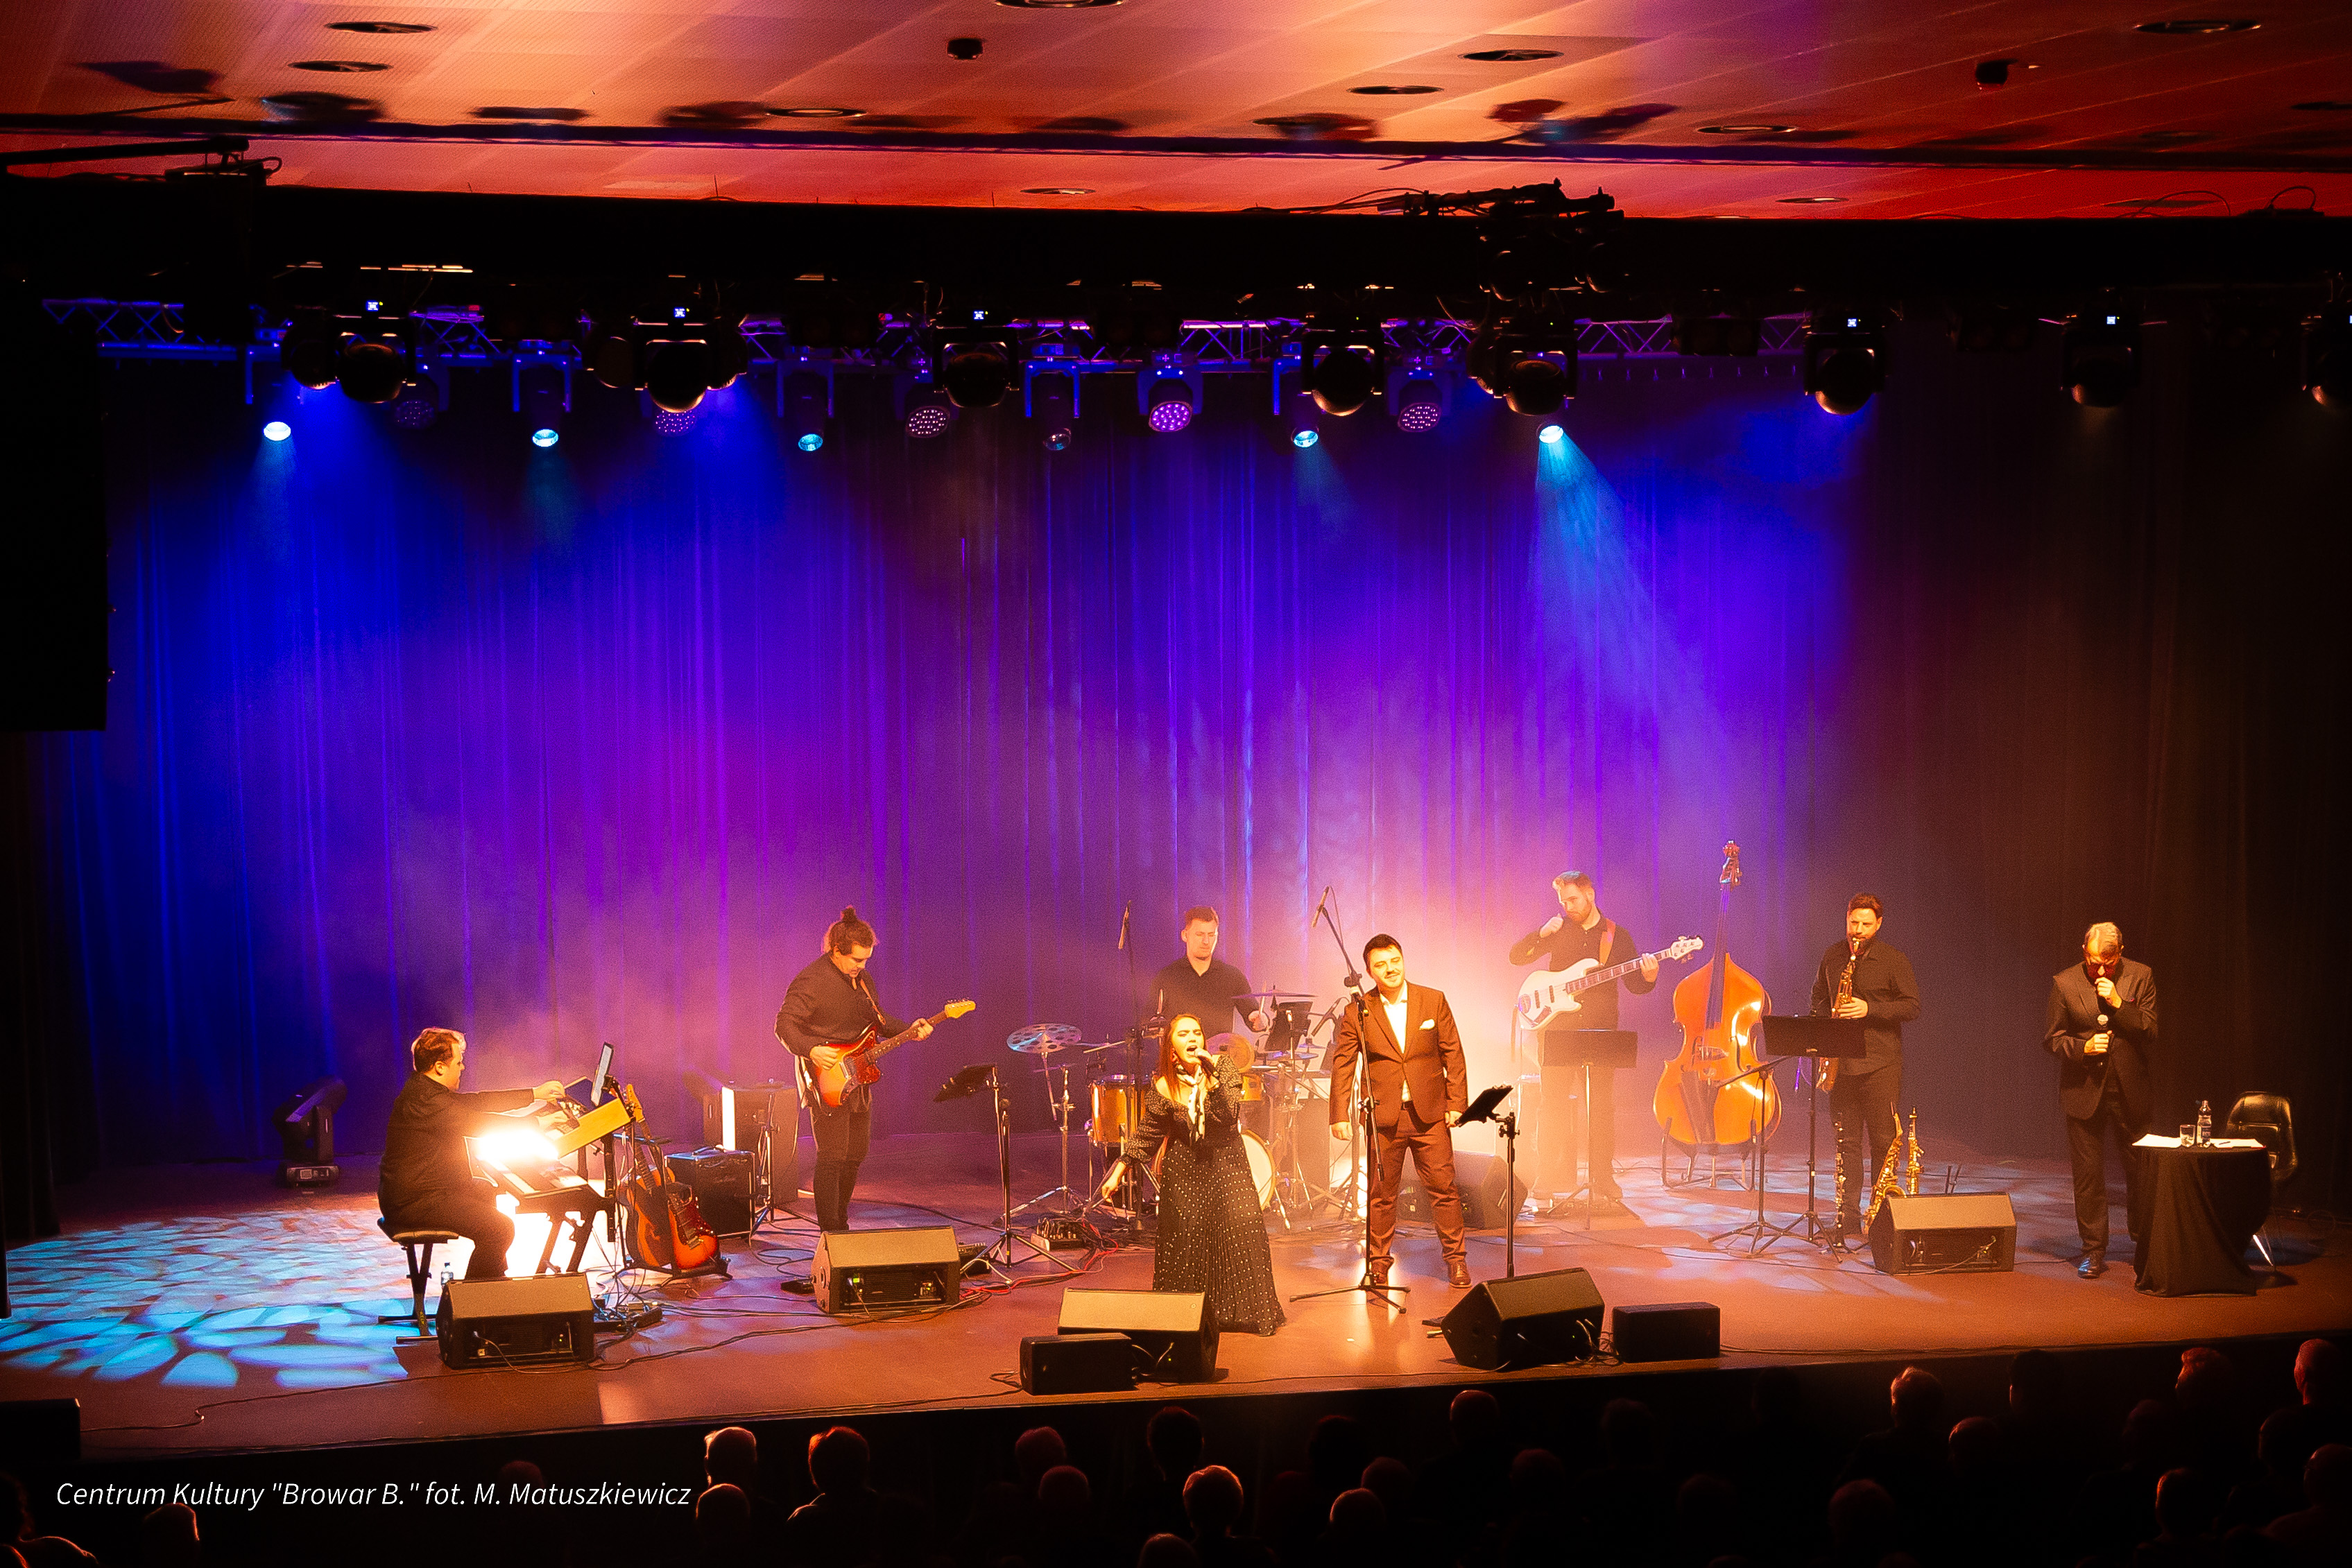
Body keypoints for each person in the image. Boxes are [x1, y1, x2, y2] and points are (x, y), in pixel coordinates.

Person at [1097, 1015, 1286, 1334]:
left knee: (1243, 1229)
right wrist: (1119, 1170)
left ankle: (1246, 1313)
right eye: (1184, 1034)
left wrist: (1211, 1076)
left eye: (1197, 1032)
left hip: (1227, 1162)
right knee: (1187, 1239)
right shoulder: (1163, 1086)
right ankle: (1187, 1315)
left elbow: (1228, 1114)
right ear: (1171, 1048)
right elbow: (1148, 1134)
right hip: (1184, 1169)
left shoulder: (1223, 1067)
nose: (1193, 1038)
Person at [1506, 870, 1659, 1208]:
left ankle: (1602, 1176)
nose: (1568, 907)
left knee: (1601, 1107)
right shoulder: (1558, 930)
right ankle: (1547, 1175)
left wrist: (1649, 977)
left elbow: (1635, 985)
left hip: (1601, 1033)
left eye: (1573, 899)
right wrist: (1540, 933)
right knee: (1553, 1105)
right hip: (1558, 1032)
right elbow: (1517, 957)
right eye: (1563, 902)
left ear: (1590, 894)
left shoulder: (1617, 936)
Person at [1325, 934, 1471, 1289]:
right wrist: (1339, 1114)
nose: (1390, 969)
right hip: (1383, 1116)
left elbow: (1453, 1053)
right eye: (1381, 965)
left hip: (1430, 1114)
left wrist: (1457, 1104)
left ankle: (1456, 1261)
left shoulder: (1432, 1000)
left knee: (1444, 1189)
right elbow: (1343, 1064)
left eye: (1395, 961)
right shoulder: (1358, 1011)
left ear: (1403, 960)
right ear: (1369, 972)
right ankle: (1378, 1264)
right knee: (1381, 1194)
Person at [774, 906, 932, 1233]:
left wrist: (910, 1029)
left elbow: (878, 1021)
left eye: (866, 960)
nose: (862, 966)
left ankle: (841, 1224)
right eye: (856, 960)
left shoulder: (862, 980)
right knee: (832, 1156)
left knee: (855, 1154)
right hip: (826, 1076)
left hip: (859, 1075)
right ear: (836, 951)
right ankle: (830, 1232)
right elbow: (784, 1026)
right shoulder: (811, 981)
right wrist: (811, 1049)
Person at [378, 1028, 564, 1281]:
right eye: (458, 1062)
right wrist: (537, 1124)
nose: (463, 1067)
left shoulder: (425, 1089)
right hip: (412, 1203)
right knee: (501, 1229)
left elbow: (479, 1102)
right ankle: (473, 1296)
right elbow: (478, 1123)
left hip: (421, 1192)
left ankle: (493, 1277)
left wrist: (534, 1094)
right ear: (440, 1067)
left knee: (484, 1189)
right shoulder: (426, 1101)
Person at [2043, 921, 2159, 1279]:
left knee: (2140, 1172)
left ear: (2120, 954)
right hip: (2084, 1090)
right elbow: (2052, 1039)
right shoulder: (2065, 982)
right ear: (2084, 952)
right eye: (2095, 963)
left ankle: (2144, 1244)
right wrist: (2083, 1048)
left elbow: (2150, 1030)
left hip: (2130, 1091)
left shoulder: (2141, 976)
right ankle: (2093, 1250)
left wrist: (2119, 1003)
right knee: (2088, 1176)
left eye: (2109, 963)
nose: (2102, 971)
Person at [1808, 894, 1922, 1239]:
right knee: (1846, 1145)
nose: (1858, 931)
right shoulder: (1833, 955)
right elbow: (1818, 997)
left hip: (1880, 1064)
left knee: (1883, 1144)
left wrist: (1869, 1009)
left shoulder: (1893, 959)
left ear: (1879, 924)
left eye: (1866, 925)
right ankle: (1848, 1219)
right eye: (1853, 923)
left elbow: (1912, 1006)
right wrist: (1825, 1020)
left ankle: (1881, 1221)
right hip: (1841, 1063)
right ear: (1847, 918)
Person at [1150, 907, 1269, 1042]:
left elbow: (1253, 1013)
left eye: (1211, 935)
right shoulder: (1167, 977)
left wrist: (1261, 1020)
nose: (1206, 941)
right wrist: (1154, 1025)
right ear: (1185, 935)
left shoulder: (1232, 976)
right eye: (1200, 934)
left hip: (1219, 1052)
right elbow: (1149, 1017)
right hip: (1179, 1052)